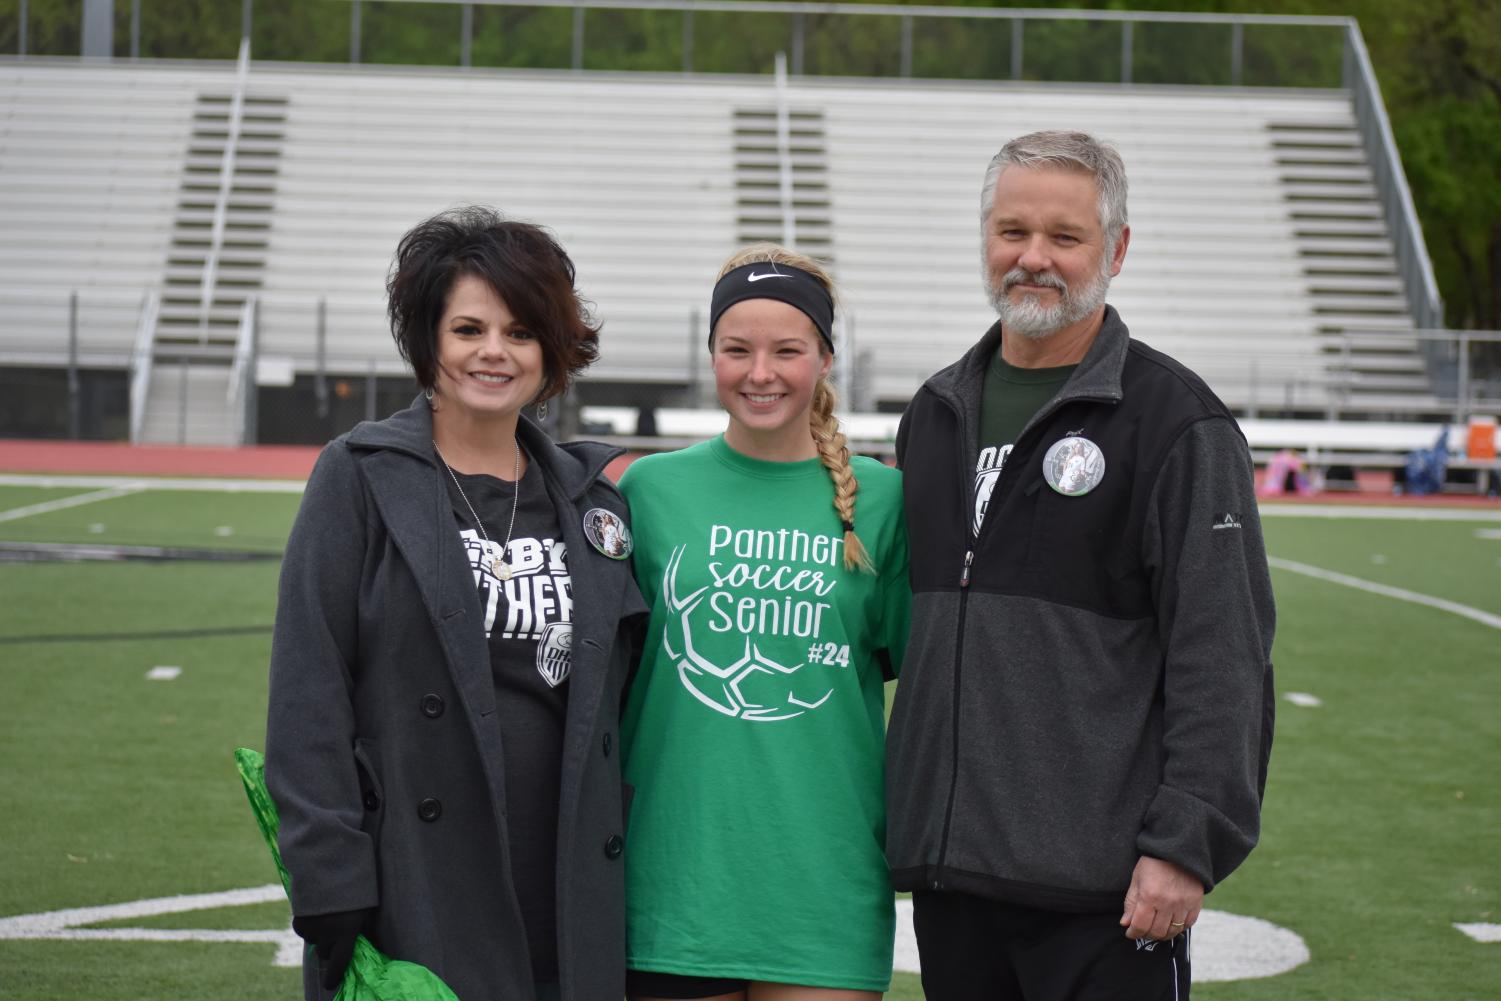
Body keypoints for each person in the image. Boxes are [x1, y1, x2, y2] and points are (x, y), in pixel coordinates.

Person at [886, 131, 1276, 999]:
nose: (1032, 258)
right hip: (954, 879)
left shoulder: (1177, 423)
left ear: (1115, 249)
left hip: (1103, 893)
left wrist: (1185, 845)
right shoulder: (936, 411)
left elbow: (1222, 654)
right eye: (1011, 231)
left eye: (1063, 237)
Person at [265, 206, 646, 1001]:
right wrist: (329, 877)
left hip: (568, 875)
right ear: (428, 342)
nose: (493, 352)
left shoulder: (590, 500)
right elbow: (308, 689)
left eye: (520, 331)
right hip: (416, 877)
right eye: (468, 328)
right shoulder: (359, 476)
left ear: (551, 349)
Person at [618, 246, 910, 1001]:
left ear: (824, 357)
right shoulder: (649, 489)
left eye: (787, 350)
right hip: (676, 871)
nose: (760, 373)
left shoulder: (884, 502)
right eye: (735, 349)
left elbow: (915, 671)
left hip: (823, 873)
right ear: (710, 354)